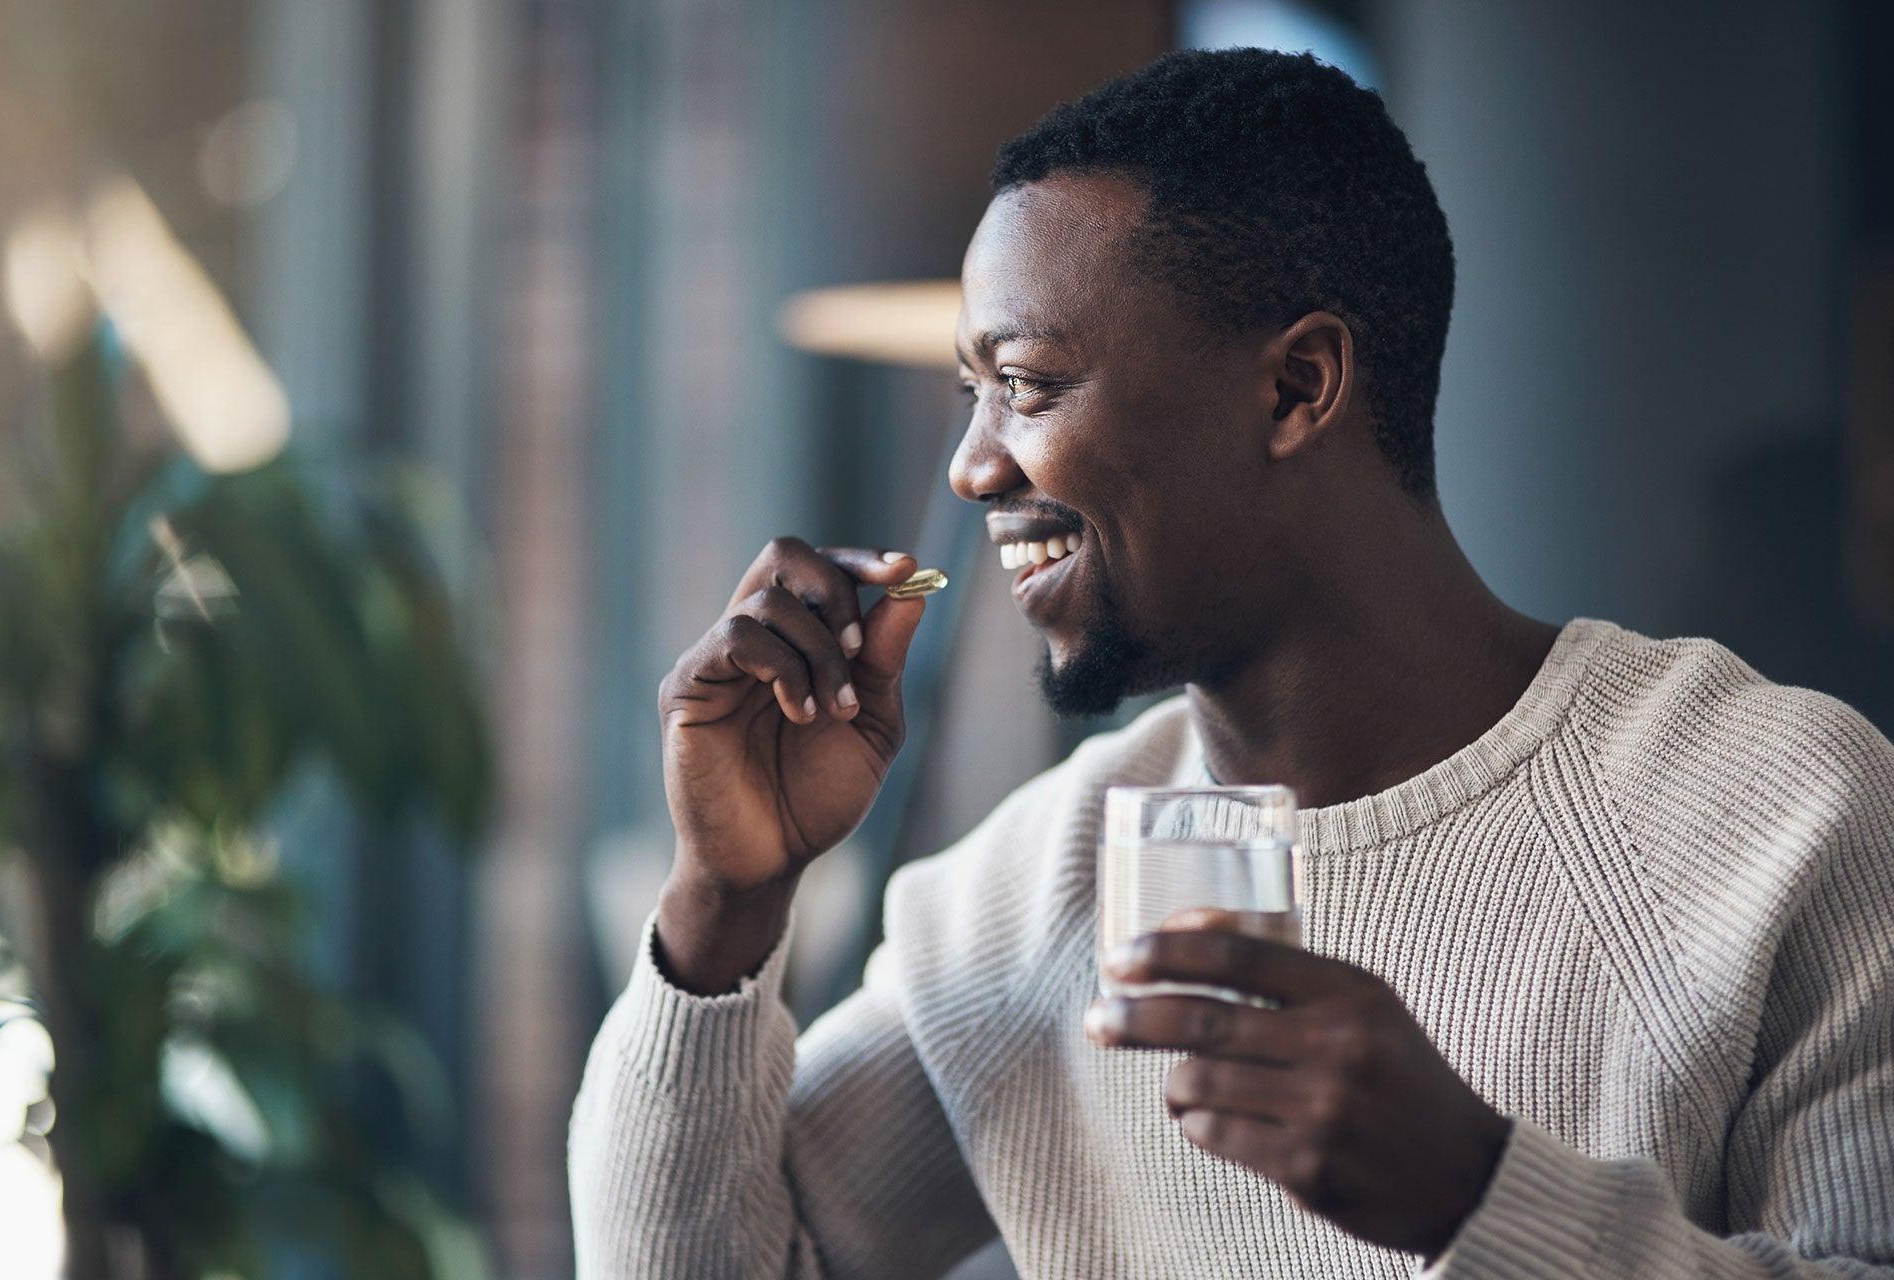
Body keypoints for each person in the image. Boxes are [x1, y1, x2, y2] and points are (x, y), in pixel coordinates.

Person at [568, 47, 1894, 1278]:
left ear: (1295, 388)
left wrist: (1481, 1196)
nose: (974, 468)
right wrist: (724, 903)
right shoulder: (1025, 899)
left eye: (1026, 385)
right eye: (968, 395)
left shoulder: (1782, 815)